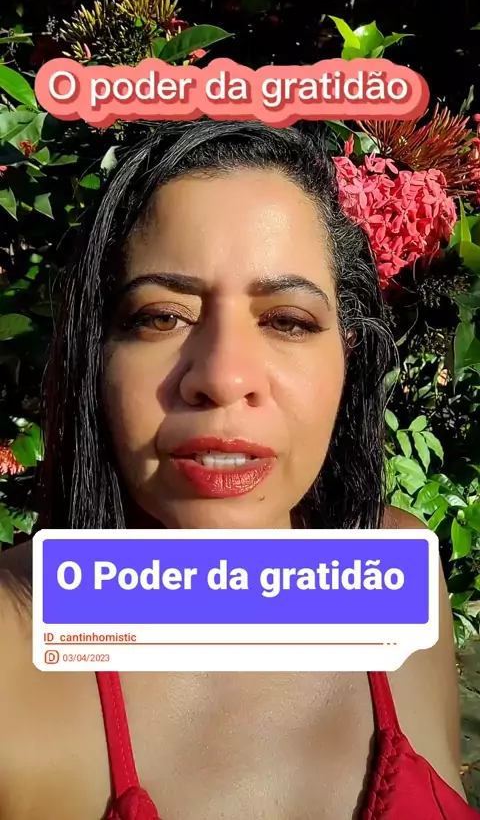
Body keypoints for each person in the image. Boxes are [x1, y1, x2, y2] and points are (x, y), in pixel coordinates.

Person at [0, 119, 476, 820]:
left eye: (287, 321)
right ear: (97, 353)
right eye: (162, 316)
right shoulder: (12, 644)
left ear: (348, 354)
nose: (223, 377)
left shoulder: (403, 569)